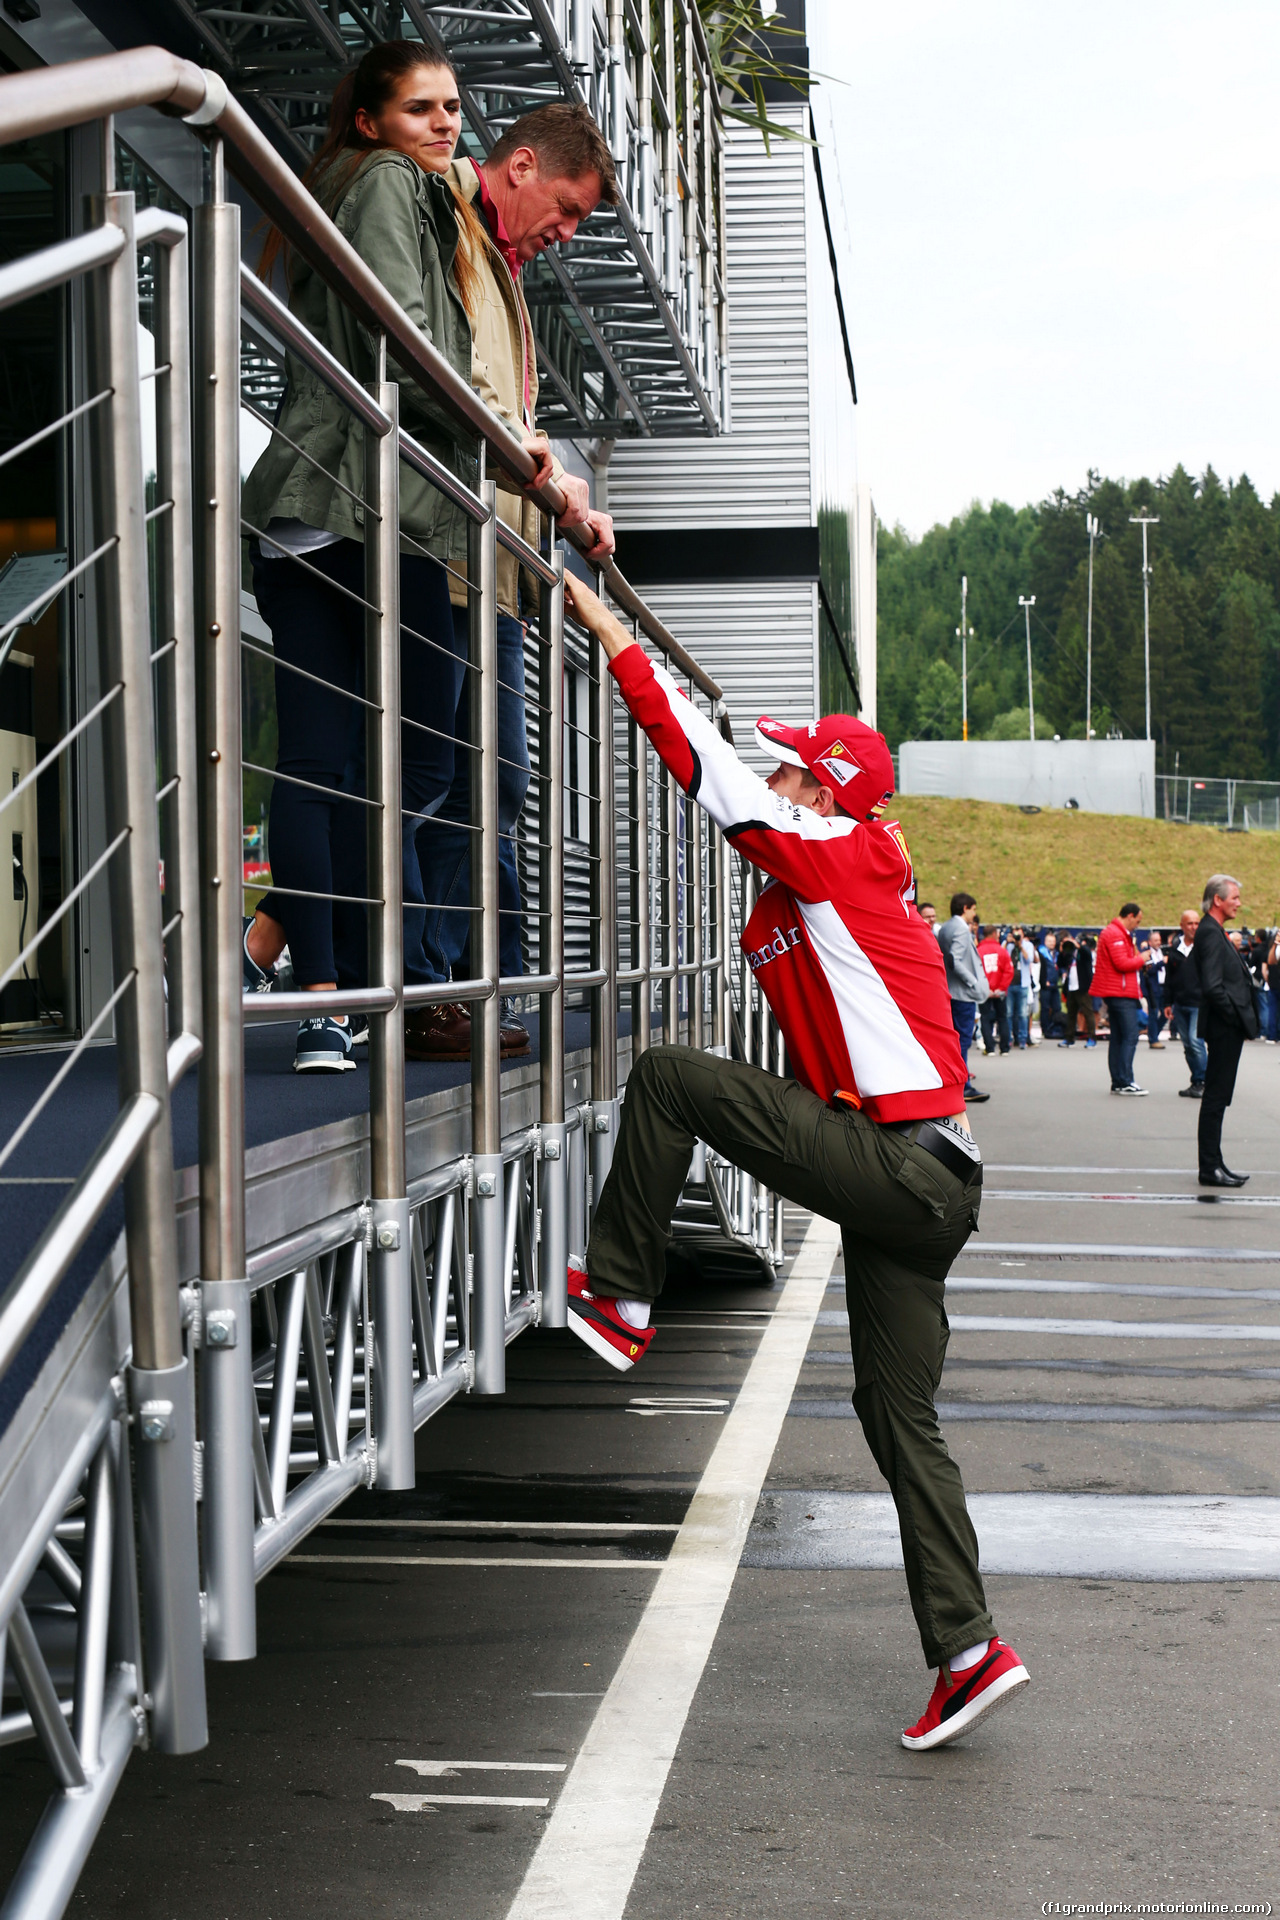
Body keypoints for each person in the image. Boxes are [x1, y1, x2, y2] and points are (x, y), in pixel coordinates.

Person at [555, 572, 1029, 1752]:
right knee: (894, 1412)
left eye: (788, 766)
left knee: (668, 1076)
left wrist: (610, 630)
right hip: (931, 1185)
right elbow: (778, 873)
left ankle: (619, 1292)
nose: (770, 775)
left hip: (899, 1163)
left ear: (821, 792)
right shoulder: (840, 869)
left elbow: (696, 764)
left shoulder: (837, 851)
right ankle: (967, 1650)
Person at [240, 44, 482, 1071]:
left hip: (312, 508)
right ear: (373, 120)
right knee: (416, 758)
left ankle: (321, 996)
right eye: (420, 108)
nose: (444, 125)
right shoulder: (387, 183)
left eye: (453, 108)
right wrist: (500, 441)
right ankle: (315, 977)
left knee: (327, 763)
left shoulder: (362, 183)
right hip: (364, 506)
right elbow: (408, 334)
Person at [412, 103, 620, 1060]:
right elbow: (456, 385)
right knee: (441, 780)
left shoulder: (504, 270)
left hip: (489, 566)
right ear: (523, 165)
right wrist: (549, 473)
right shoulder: (440, 216)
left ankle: (463, 989)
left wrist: (561, 504)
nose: (566, 235)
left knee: (492, 785)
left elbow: (506, 429)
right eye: (567, 211)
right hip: (439, 553)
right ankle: (432, 990)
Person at [1193, 875, 1257, 1186]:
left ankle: (1215, 1163)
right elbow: (1213, 986)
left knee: (1219, 1097)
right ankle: (1209, 1168)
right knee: (1216, 1097)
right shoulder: (1209, 933)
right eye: (1234, 897)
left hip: (1224, 1026)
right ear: (1218, 900)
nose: (1239, 903)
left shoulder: (1212, 931)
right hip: (1223, 1028)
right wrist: (1234, 1018)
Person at [936, 893, 990, 1103]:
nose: (974, 914)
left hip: (951, 990)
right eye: (973, 909)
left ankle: (959, 1082)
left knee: (957, 1040)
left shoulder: (947, 927)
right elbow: (955, 960)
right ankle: (964, 1085)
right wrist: (972, 982)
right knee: (963, 1040)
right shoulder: (960, 928)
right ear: (965, 908)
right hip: (962, 993)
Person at [1092, 902, 1147, 1094]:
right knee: (1130, 1035)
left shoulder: (1114, 933)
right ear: (1130, 916)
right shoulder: (1115, 934)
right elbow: (1122, 963)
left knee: (1119, 1037)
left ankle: (1118, 1080)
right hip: (1120, 992)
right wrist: (1143, 958)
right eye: (1137, 921)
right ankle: (1125, 1080)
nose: (1137, 926)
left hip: (1115, 991)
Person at [1164, 909, 1206, 1097]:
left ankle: (1205, 1081)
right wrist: (1167, 1002)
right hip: (1180, 1003)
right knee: (1187, 1044)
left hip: (1199, 1003)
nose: (1194, 927)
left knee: (1196, 1042)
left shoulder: (1204, 947)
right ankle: (1196, 1080)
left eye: (1197, 923)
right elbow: (1169, 978)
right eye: (1190, 923)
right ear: (1182, 926)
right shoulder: (1175, 949)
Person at [977, 926, 1013, 1055]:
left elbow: (976, 972)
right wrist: (1001, 988)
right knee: (1002, 1018)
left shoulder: (979, 951)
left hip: (985, 991)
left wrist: (985, 989)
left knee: (985, 1019)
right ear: (993, 934)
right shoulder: (1001, 951)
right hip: (1000, 991)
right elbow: (1008, 971)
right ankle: (1004, 1048)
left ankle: (990, 1048)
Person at [1057, 934, 1096, 1047]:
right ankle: (1069, 1038)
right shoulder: (1069, 953)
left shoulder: (1084, 952)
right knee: (1071, 1013)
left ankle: (1092, 1038)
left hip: (1083, 987)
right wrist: (1062, 951)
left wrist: (1077, 945)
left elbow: (1087, 953)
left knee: (1088, 1012)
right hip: (1071, 987)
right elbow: (1060, 964)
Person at [1007, 925, 1039, 1048]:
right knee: (1009, 1014)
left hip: (1023, 983)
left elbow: (1029, 959)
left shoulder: (1028, 945)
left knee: (1022, 1013)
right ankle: (1009, 1038)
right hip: (1010, 983)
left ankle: (1023, 1039)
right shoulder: (1009, 945)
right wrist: (1007, 942)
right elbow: (1003, 956)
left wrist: (1020, 946)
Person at [1246, 927, 1274, 1043]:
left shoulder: (1256, 951)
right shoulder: (1269, 948)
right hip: (1267, 980)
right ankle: (1266, 1031)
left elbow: (1251, 965)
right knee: (1266, 1005)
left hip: (1258, 980)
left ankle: (1262, 1030)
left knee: (1262, 1005)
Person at [1141, 929, 1168, 1050]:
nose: (1158, 942)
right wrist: (1162, 963)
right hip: (1152, 987)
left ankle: (1154, 1033)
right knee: (1153, 1012)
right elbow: (1149, 970)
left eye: (1159, 940)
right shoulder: (1147, 953)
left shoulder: (1162, 952)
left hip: (1164, 986)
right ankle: (1153, 1039)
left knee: (1166, 1013)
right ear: (1150, 942)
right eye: (1156, 940)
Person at [1037, 930, 1065, 1039]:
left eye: (1053, 941)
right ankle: (1045, 1028)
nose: (1052, 943)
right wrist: (1044, 980)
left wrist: (1063, 974)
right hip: (1046, 984)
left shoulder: (1057, 954)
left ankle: (1055, 1027)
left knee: (1057, 1007)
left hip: (1055, 984)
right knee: (1045, 1007)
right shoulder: (1041, 952)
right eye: (1049, 941)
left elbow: (1060, 966)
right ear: (1045, 941)